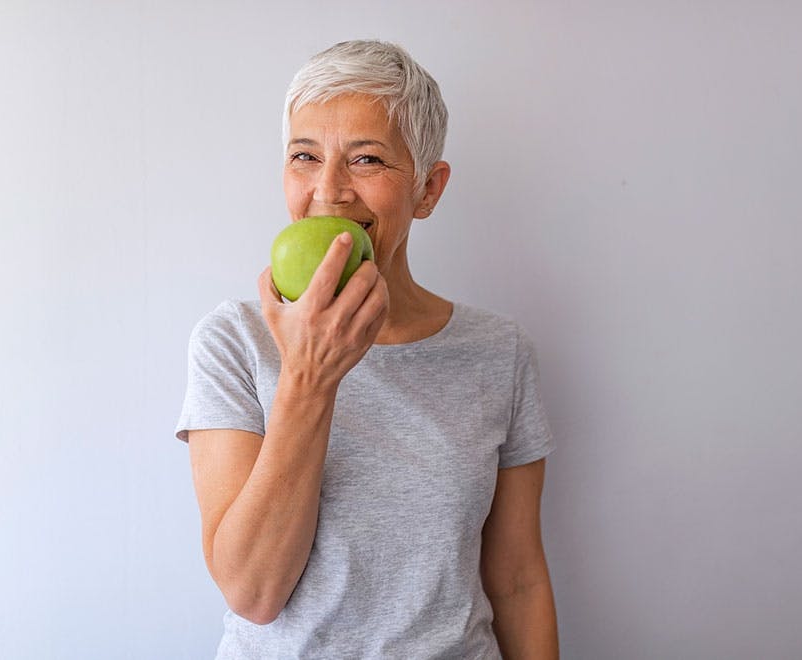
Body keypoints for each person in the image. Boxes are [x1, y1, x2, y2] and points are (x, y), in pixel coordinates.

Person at [175, 39, 558, 659]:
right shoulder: (233, 342)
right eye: (305, 156)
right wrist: (310, 376)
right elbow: (253, 592)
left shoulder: (500, 353)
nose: (329, 191)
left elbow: (517, 581)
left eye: (367, 160)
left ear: (427, 189)